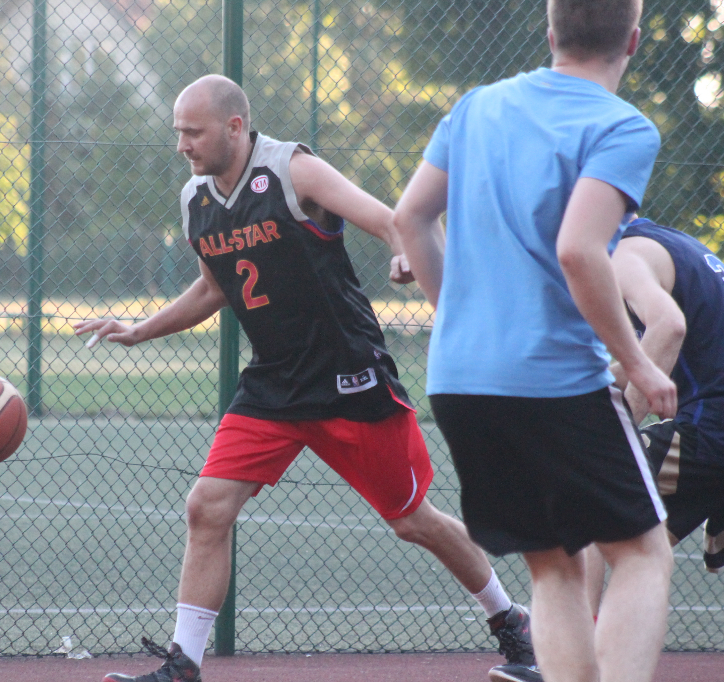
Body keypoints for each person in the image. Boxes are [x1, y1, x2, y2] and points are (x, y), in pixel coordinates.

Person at [74, 74, 538, 682]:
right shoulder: (196, 200)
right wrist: (142, 328)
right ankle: (183, 663)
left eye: (193, 132)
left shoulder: (293, 170)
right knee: (207, 507)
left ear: (234, 127)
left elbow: (393, 219)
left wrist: (405, 252)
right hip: (274, 383)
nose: (181, 145)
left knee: (410, 520)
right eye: (177, 133)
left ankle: (509, 620)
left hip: (348, 376)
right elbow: (214, 287)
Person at [391, 2, 678, 682]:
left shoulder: (475, 108)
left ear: (551, 33)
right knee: (642, 554)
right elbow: (579, 250)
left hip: (459, 378)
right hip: (552, 378)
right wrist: (636, 360)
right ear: (633, 40)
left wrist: (455, 312)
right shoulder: (621, 127)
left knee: (553, 565)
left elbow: (410, 216)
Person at [582, 216, 724, 615]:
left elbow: (667, 328)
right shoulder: (671, 244)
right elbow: (651, 355)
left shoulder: (627, 256)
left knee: (589, 497)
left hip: (721, 426)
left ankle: (566, 662)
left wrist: (619, 432)